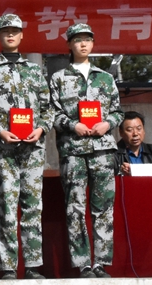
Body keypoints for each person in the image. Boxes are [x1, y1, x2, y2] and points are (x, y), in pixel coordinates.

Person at [0, 13, 51, 280]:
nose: (10, 34)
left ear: (21, 35)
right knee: (7, 206)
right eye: (5, 30)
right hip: (4, 148)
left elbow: (48, 106)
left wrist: (41, 128)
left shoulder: (34, 69)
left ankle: (32, 266)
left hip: (32, 148)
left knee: (33, 206)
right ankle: (8, 266)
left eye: (14, 31)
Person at [50, 24, 123, 279]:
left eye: (87, 40)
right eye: (77, 40)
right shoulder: (58, 78)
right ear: (69, 44)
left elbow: (118, 111)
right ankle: (82, 264)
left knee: (103, 208)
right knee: (75, 207)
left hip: (102, 150)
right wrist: (73, 125)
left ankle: (101, 263)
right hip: (73, 150)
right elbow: (52, 113)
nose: (83, 44)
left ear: (93, 44)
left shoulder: (105, 78)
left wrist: (108, 124)